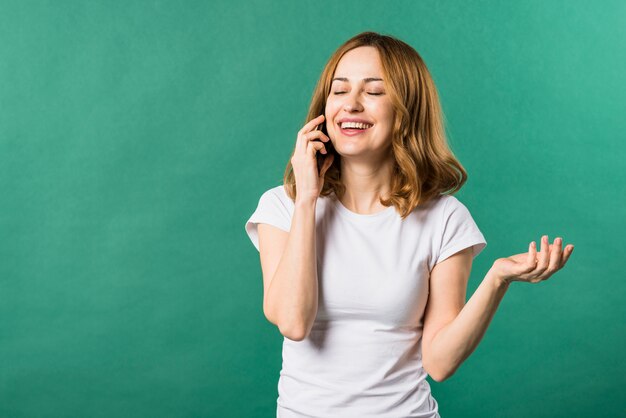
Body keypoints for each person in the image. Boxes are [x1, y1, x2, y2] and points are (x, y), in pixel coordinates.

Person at [244, 31, 574, 418]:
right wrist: (306, 199)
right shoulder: (282, 206)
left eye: (374, 92)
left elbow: (439, 363)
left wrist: (497, 279)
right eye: (339, 90)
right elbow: (293, 322)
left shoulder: (445, 219)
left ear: (406, 109)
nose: (351, 105)